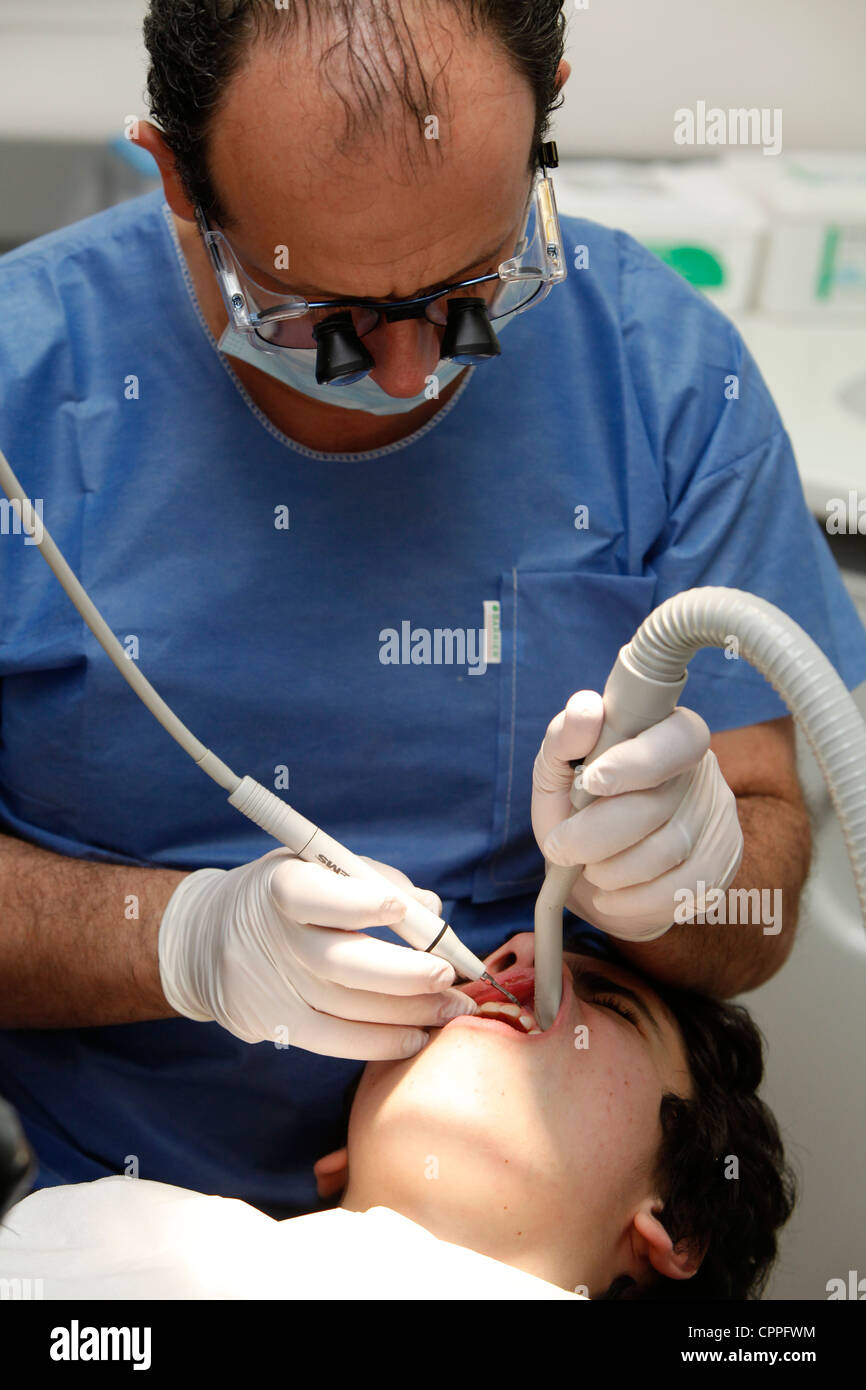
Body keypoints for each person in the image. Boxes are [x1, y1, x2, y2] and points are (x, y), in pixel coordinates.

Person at [0, 0, 861, 1216]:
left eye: (471, 294)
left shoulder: (664, 380)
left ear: (542, 125)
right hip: (109, 1196)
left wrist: (691, 879)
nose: (408, 376)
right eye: (331, 323)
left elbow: (758, 901)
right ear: (180, 184)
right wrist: (179, 940)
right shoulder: (21, 390)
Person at [0, 931, 795, 1300]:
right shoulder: (92, 1232)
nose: (516, 961)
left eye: (614, 1007)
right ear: (335, 1165)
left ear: (677, 1224)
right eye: (505, 955)